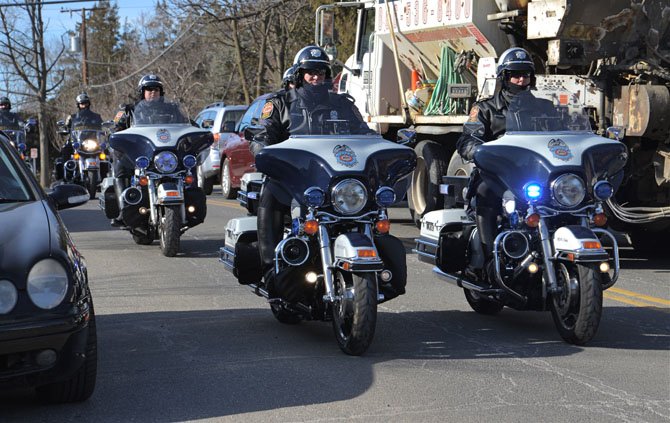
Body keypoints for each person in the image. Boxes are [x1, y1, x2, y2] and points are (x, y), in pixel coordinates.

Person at [249, 45, 373, 294]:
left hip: (334, 178)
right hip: (292, 177)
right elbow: (262, 134)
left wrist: (380, 144)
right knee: (270, 196)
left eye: (321, 72)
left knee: (372, 209)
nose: (316, 77)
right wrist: (264, 150)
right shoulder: (280, 103)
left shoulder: (343, 104)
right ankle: (270, 271)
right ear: (299, 75)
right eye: (310, 72)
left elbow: (364, 133)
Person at [456, 47, 555, 281]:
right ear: (504, 77)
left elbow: (564, 136)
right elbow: (467, 139)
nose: (521, 80)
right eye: (515, 75)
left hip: (538, 173)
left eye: (526, 75)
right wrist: (477, 151)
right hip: (497, 175)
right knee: (484, 194)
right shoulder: (485, 108)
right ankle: (488, 259)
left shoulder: (546, 108)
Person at [109, 74, 166, 226]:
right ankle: (123, 209)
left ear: (161, 92)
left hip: (163, 155)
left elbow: (186, 123)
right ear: (142, 92)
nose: (152, 92)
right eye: (148, 89)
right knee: (120, 168)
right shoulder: (128, 110)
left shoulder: (171, 109)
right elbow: (115, 128)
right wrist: (118, 138)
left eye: (156, 89)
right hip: (137, 154)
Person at [55, 93, 104, 171]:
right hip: (77, 141)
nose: (84, 105)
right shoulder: (72, 117)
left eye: (86, 103)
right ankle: (65, 173)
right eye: (82, 103)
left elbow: (102, 126)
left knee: (106, 150)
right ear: (78, 105)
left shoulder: (96, 116)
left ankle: (109, 172)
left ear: (89, 103)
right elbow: (67, 127)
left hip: (92, 141)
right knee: (65, 149)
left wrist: (106, 129)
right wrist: (64, 129)